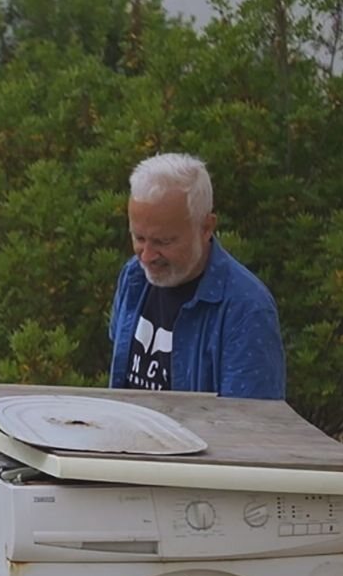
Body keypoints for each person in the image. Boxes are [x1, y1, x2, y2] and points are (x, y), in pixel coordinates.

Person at [108, 153, 286, 399]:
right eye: (139, 238)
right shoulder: (133, 277)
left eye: (163, 241)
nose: (147, 256)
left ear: (206, 228)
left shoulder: (246, 309)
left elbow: (250, 425)